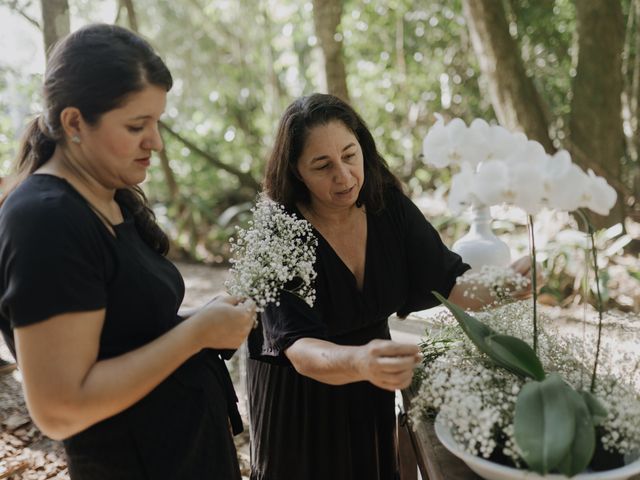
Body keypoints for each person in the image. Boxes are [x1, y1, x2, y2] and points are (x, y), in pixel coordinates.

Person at [0, 24, 256, 480]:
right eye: (137, 126)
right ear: (75, 122)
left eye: (156, 122)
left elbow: (120, 333)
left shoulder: (109, 194)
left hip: (189, 452)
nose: (155, 142)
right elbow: (61, 408)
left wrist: (198, 320)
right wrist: (195, 334)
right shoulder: (45, 220)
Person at [246, 93, 534, 480]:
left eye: (350, 156)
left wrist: (506, 286)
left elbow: (452, 286)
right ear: (296, 171)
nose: (344, 176)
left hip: (370, 386)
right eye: (322, 165)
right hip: (301, 402)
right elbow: (299, 349)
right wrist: (361, 362)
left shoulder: (387, 206)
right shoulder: (277, 229)